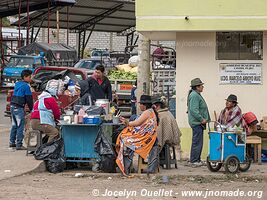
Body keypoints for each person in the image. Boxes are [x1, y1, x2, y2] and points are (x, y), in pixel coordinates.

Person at [116, 95, 159, 176]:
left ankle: (126, 168)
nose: (139, 106)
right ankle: (127, 167)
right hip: (150, 137)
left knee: (126, 140)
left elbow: (137, 123)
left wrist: (127, 122)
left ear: (144, 105)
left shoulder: (147, 112)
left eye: (140, 104)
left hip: (146, 138)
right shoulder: (151, 111)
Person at [187, 78, 210, 166]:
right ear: (197, 87)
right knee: (197, 142)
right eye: (201, 86)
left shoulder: (196, 94)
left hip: (198, 123)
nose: (202, 87)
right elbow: (194, 110)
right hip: (197, 123)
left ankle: (197, 159)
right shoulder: (194, 95)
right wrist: (201, 119)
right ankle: (194, 160)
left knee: (198, 141)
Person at [9, 69, 33, 150]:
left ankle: (12, 142)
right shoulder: (26, 86)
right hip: (19, 107)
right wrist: (31, 109)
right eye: (30, 77)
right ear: (25, 77)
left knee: (14, 125)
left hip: (12, 106)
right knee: (20, 126)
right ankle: (19, 144)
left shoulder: (17, 84)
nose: (31, 79)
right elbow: (29, 99)